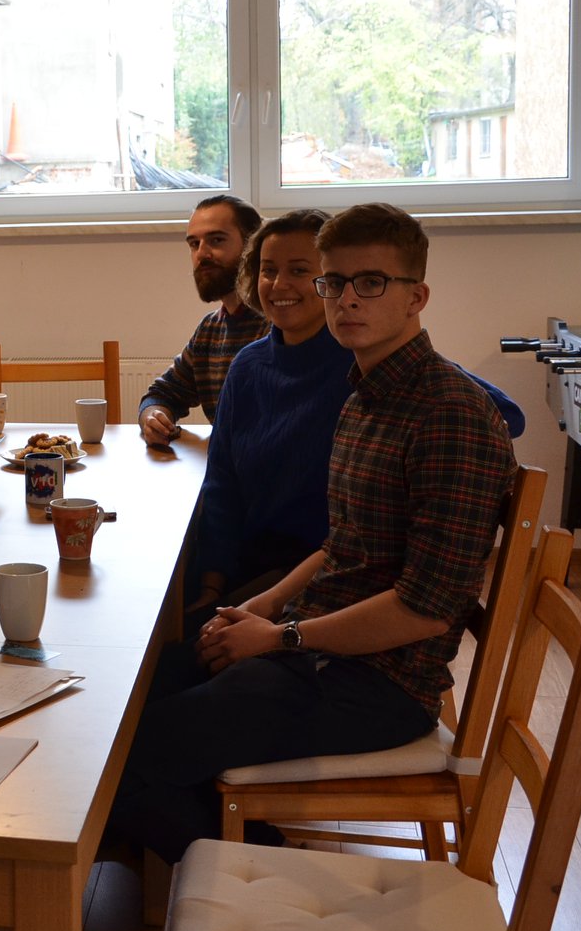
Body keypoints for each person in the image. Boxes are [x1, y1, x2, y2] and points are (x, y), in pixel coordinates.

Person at [109, 202, 518, 864]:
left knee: (122, 755)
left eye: (370, 283)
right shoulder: (366, 393)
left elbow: (426, 609)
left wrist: (280, 636)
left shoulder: (448, 415)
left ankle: (264, 873)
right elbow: (340, 543)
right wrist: (262, 607)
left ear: (416, 296)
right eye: (335, 282)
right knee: (129, 696)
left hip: (375, 684)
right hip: (315, 644)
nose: (345, 300)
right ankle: (196, 850)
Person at [187, 209, 527, 628]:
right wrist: (217, 588)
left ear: (415, 298)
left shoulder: (380, 371)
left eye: (299, 270)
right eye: (268, 270)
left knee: (165, 655)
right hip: (292, 577)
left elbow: (493, 414)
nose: (279, 284)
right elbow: (224, 486)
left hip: (334, 592)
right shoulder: (269, 369)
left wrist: (281, 631)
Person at [138, 194, 268, 447]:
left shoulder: (279, 326)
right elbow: (163, 393)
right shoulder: (210, 329)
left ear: (253, 244)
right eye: (194, 244)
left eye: (216, 240)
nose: (202, 253)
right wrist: (153, 418)